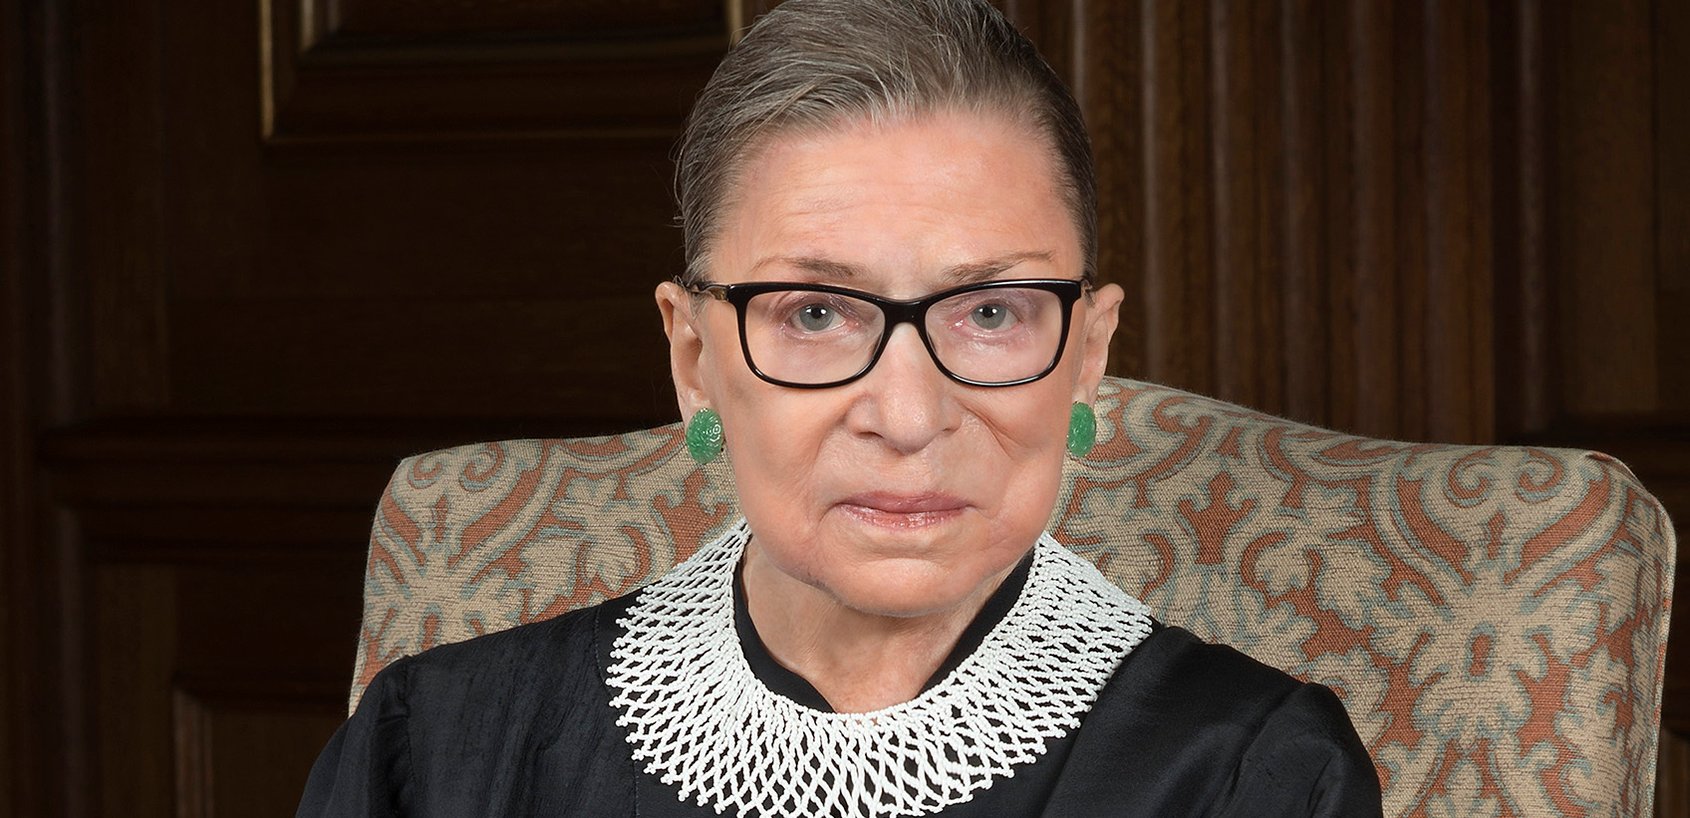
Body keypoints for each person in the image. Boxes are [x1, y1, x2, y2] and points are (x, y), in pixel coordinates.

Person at [297, 0, 1382, 815]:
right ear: (693, 355)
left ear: (1086, 355)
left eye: (990, 312)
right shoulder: (433, 748)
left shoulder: (1258, 775)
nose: (906, 416)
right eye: (815, 313)